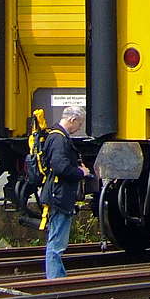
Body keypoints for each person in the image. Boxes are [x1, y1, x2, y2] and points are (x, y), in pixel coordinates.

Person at [42, 105, 94, 279]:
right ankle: (55, 280)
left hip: (58, 194)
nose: (79, 128)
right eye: (79, 123)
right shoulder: (59, 139)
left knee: (57, 241)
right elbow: (60, 166)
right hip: (59, 195)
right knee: (56, 243)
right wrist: (80, 172)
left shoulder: (56, 136)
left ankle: (59, 277)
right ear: (72, 120)